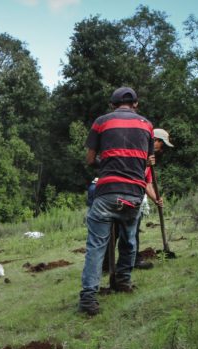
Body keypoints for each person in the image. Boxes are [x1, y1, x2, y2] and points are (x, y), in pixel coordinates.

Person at [79, 86, 154, 316]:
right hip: (134, 193)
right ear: (136, 105)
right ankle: (123, 281)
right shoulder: (147, 126)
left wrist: (107, 162)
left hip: (107, 191)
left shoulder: (101, 122)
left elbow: (90, 159)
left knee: (96, 245)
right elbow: (149, 161)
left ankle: (89, 299)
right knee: (130, 240)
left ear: (112, 105)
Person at [133, 128, 172, 269]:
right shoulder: (137, 151)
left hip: (137, 194)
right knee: (127, 230)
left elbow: (147, 183)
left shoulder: (149, 157)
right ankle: (129, 261)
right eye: (162, 144)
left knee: (132, 229)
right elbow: (131, 174)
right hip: (126, 193)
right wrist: (145, 164)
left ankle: (132, 259)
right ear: (155, 140)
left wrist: (156, 199)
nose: (162, 149)